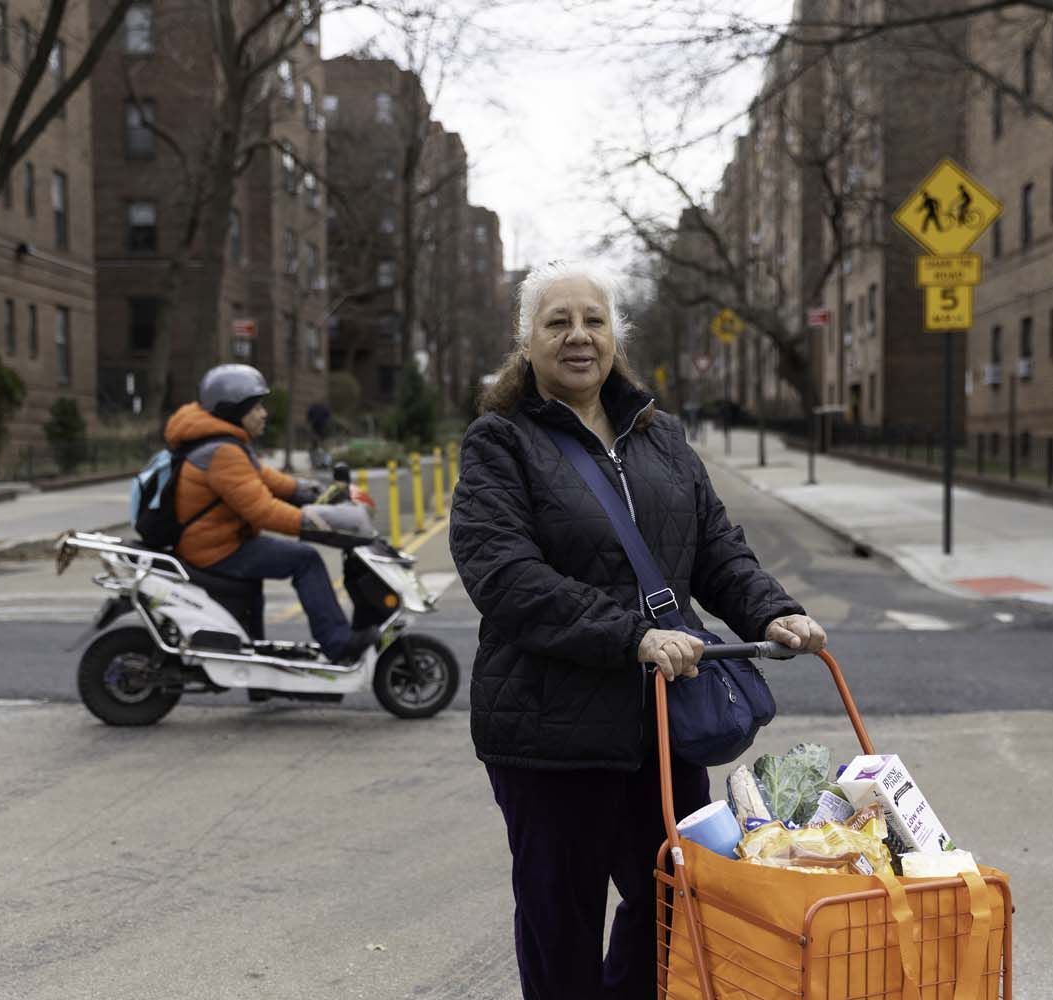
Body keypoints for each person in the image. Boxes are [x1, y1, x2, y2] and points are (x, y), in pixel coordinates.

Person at [449, 260, 827, 1000]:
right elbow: (504, 577)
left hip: (664, 721)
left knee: (673, 902)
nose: (578, 336)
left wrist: (770, 609)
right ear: (527, 342)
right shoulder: (501, 442)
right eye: (558, 322)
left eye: (593, 320)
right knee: (561, 922)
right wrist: (632, 635)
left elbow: (715, 547)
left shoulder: (661, 436)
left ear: (615, 336)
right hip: (550, 730)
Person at [165, 364, 377, 663]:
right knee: (305, 559)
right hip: (215, 549)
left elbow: (270, 480)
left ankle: (256, 664)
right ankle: (338, 644)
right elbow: (263, 511)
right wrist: (315, 522)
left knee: (278, 563)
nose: (264, 414)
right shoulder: (221, 452)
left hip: (217, 541)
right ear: (234, 410)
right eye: (256, 407)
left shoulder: (224, 443)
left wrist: (317, 493)